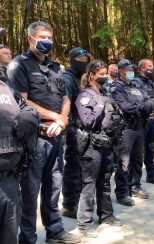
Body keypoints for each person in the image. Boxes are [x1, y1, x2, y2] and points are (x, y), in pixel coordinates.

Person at [7, 21, 80, 243]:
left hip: (56, 135)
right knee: (30, 190)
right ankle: (28, 237)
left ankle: (55, 231)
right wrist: (53, 116)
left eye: (49, 36)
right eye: (42, 36)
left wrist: (62, 120)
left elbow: (66, 98)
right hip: (34, 139)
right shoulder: (19, 65)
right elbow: (21, 100)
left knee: (54, 186)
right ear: (30, 38)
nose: (46, 40)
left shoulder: (56, 68)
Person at [75, 60, 122, 237]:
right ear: (92, 75)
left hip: (107, 143)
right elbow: (88, 121)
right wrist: (100, 104)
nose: (104, 77)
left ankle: (106, 215)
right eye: (101, 74)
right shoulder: (85, 96)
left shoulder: (104, 93)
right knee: (89, 183)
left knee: (104, 181)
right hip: (92, 145)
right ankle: (85, 224)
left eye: (105, 74)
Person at [0, 64, 39, 244]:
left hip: (9, 181)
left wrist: (29, 116)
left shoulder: (6, 85)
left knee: (9, 235)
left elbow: (26, 106)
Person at [112, 58, 152, 204]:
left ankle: (135, 186)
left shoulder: (136, 85)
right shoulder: (116, 87)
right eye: (128, 70)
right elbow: (124, 107)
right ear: (120, 71)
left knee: (137, 159)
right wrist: (141, 106)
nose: (131, 72)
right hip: (126, 128)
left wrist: (142, 106)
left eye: (132, 69)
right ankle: (122, 192)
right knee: (124, 160)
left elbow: (147, 100)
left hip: (140, 126)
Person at [62, 47, 91, 218]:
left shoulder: (83, 78)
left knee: (83, 167)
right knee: (73, 166)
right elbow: (69, 104)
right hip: (74, 127)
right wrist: (74, 126)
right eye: (80, 60)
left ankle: (79, 200)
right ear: (72, 60)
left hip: (84, 127)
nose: (84, 63)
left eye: (86, 60)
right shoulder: (67, 78)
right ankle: (69, 204)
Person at [133, 59, 154, 185]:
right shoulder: (136, 83)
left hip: (151, 122)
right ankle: (135, 181)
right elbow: (138, 102)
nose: (152, 68)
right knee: (138, 152)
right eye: (149, 66)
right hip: (141, 122)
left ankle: (151, 175)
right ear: (142, 69)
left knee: (150, 148)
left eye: (152, 66)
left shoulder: (151, 83)